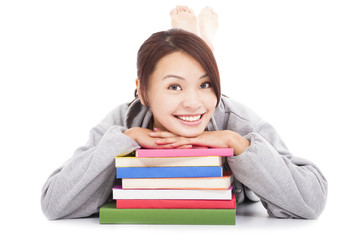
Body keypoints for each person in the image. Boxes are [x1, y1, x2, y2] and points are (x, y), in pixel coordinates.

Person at [41, 6, 327, 220]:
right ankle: (197, 42)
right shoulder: (123, 121)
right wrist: (125, 140)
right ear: (143, 92)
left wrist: (239, 145)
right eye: (174, 86)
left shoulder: (237, 121)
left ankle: (199, 41)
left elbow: (311, 199)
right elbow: (54, 203)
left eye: (206, 83)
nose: (194, 103)